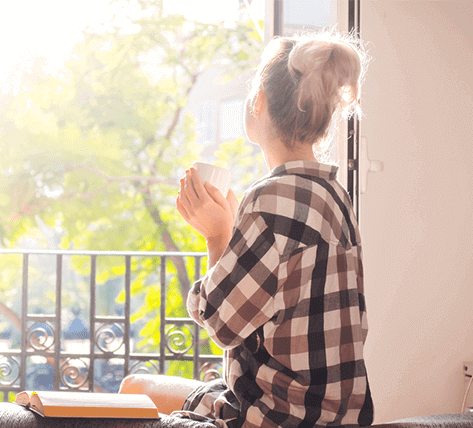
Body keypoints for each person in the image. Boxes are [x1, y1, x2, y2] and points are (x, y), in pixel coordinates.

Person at [119, 31, 373, 428]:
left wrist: (217, 234)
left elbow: (222, 324)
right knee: (141, 387)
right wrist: (236, 229)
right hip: (338, 417)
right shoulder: (335, 195)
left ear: (258, 102)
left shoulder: (270, 198)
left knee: (134, 387)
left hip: (273, 418)